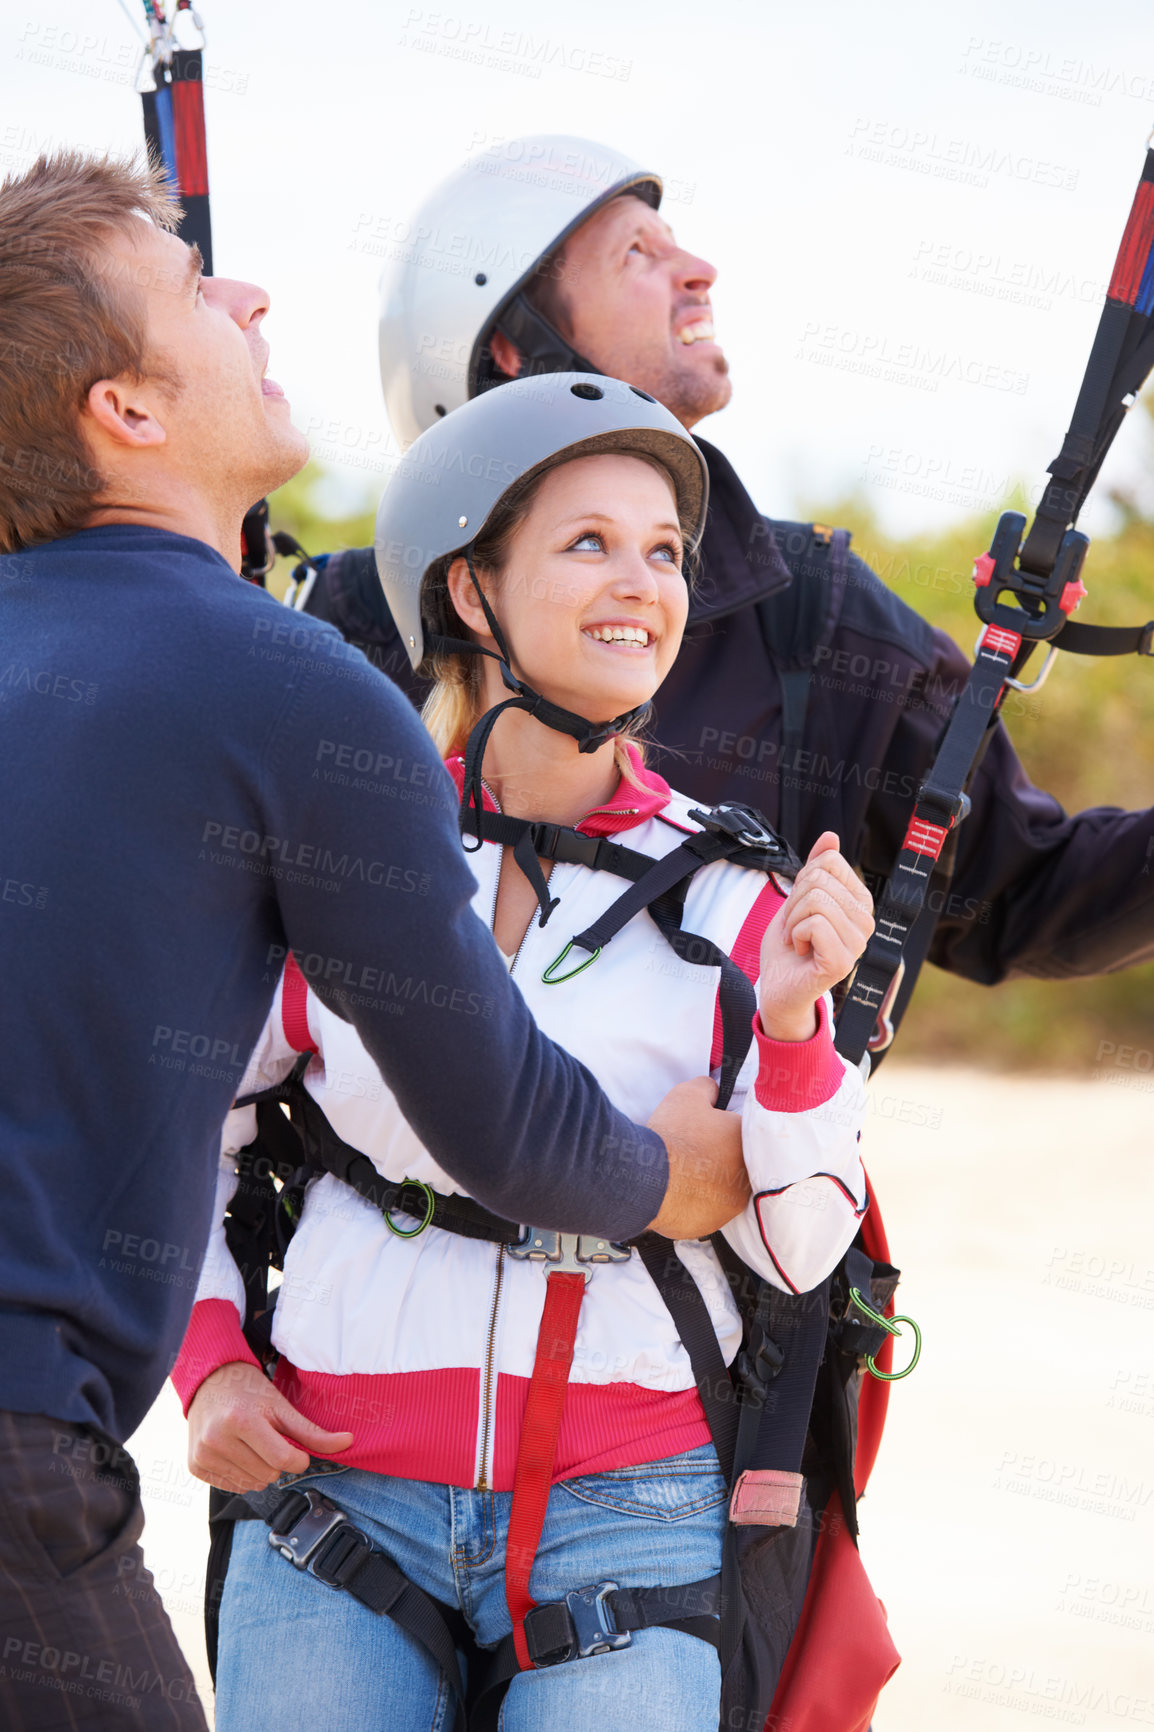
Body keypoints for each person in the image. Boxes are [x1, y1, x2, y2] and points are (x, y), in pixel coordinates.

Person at [0, 154, 746, 1732]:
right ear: (126, 410)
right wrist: (670, 1172)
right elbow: (509, 1125)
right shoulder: (284, 685)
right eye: (197, 287)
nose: (252, 295)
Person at [176, 372, 875, 1731]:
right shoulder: (328, 860)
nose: (643, 583)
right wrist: (206, 1362)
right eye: (587, 543)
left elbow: (802, 1246)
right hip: (334, 1490)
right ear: (469, 591)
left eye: (663, 551)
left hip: (636, 1511)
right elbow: (173, 1142)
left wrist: (793, 1022)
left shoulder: (743, 900)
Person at [305, 133, 1154, 1046]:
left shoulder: (815, 614)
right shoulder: (351, 629)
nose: (699, 270)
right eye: (639, 253)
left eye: (662, 554)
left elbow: (1023, 893)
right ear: (514, 347)